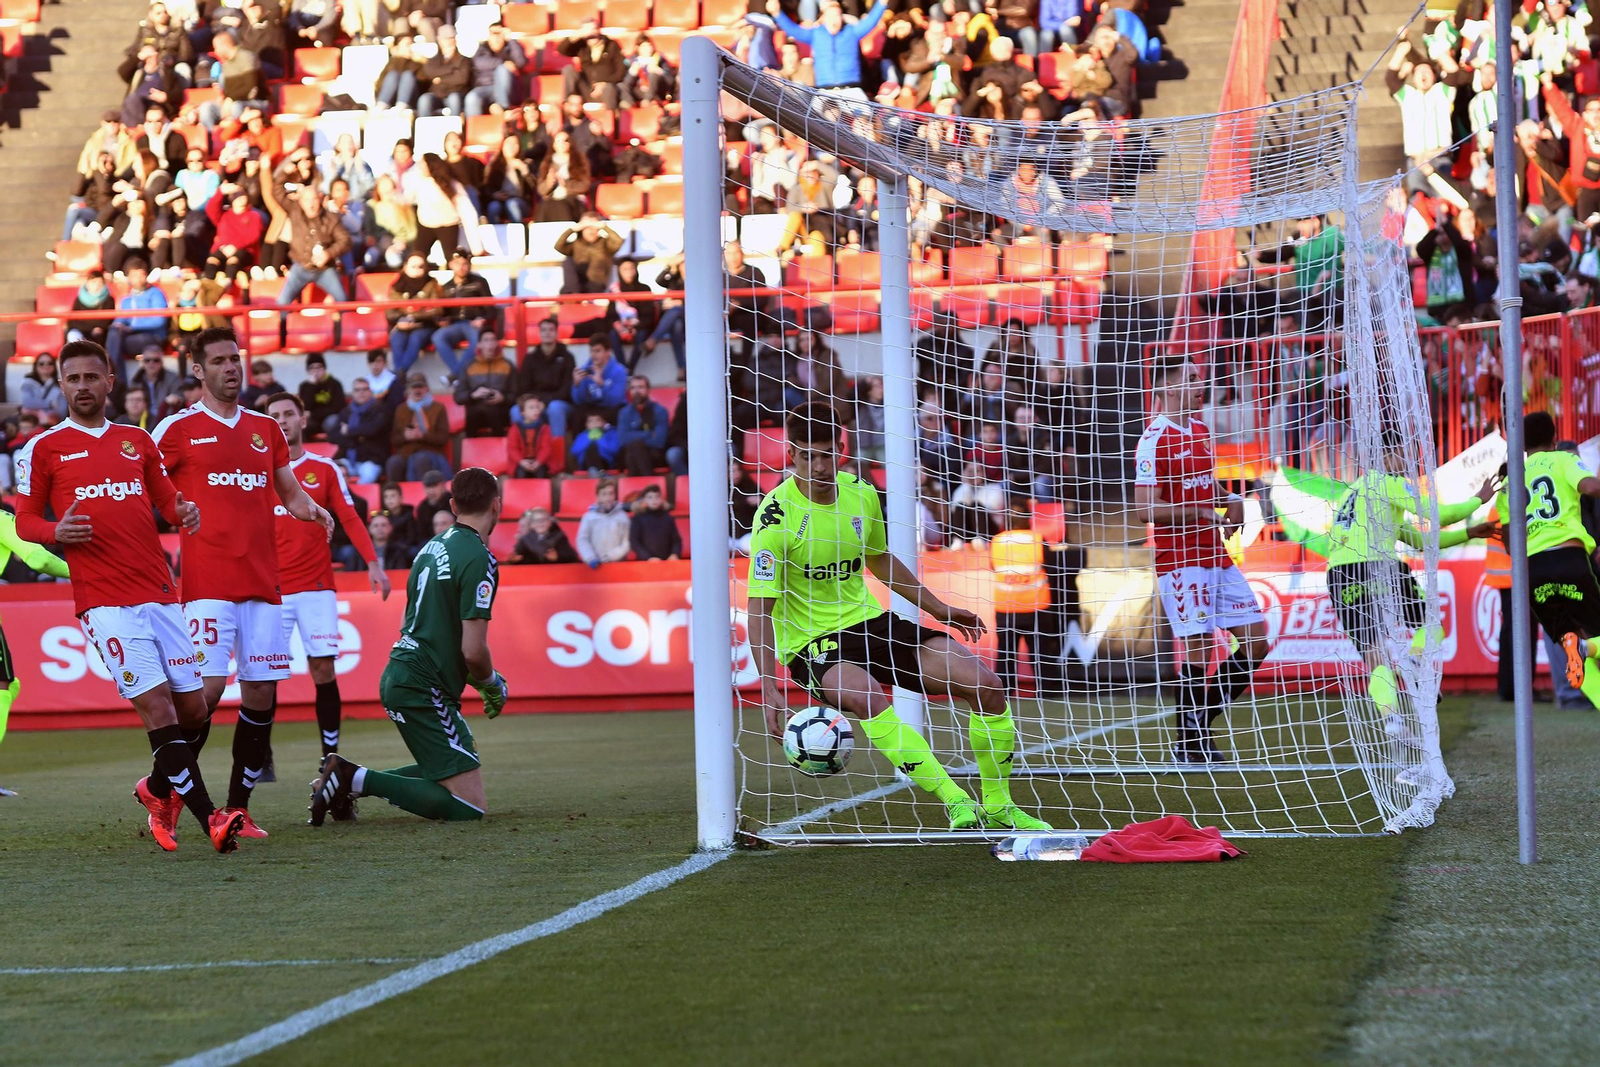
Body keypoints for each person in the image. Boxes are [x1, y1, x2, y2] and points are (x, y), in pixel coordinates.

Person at [746, 402, 1049, 830]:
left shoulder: (861, 492)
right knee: (869, 697)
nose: (819, 466)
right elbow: (759, 608)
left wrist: (939, 608)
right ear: (791, 454)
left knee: (986, 685)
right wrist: (768, 683)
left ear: (842, 449)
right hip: (811, 643)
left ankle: (999, 805)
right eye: (808, 456)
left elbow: (879, 559)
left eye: (827, 454)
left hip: (870, 622)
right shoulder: (774, 519)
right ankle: (955, 800)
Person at [15, 340, 244, 852]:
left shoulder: (136, 441)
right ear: (61, 385)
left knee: (194, 709)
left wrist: (184, 511)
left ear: (110, 381)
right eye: (73, 378)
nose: (83, 386)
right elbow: (25, 520)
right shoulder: (44, 448)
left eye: (91, 377)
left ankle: (156, 789)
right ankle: (211, 818)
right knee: (158, 708)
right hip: (104, 601)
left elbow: (167, 501)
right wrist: (55, 532)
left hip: (159, 593)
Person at [152, 326, 335, 837]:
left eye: (235, 359)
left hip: (264, 586)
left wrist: (313, 510)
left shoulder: (265, 429)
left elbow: (288, 491)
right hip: (208, 585)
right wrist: (173, 511)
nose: (230, 368)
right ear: (197, 370)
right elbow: (146, 485)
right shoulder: (176, 429)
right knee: (204, 696)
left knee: (259, 697)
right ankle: (161, 787)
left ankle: (238, 808)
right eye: (218, 361)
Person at [309, 467, 507, 823]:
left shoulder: (431, 547)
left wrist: (472, 675)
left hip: (405, 672)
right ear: (497, 505)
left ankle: (345, 781)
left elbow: (415, 622)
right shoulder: (480, 558)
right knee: (469, 805)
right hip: (423, 685)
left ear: (452, 505)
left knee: (453, 767)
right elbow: (474, 651)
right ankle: (350, 778)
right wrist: (492, 683)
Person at [1134, 359, 1269, 763]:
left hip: (1214, 554)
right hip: (1180, 560)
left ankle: (1198, 725)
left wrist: (1231, 499)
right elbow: (1145, 508)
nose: (1200, 384)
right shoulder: (1153, 439)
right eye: (1191, 378)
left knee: (1257, 641)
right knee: (1199, 647)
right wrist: (1198, 512)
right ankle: (1190, 742)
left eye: (1199, 377)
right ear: (1167, 387)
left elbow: (1205, 485)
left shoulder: (1201, 430)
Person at [266, 392, 391, 808]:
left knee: (322, 668)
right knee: (263, 675)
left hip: (316, 587)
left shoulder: (324, 468)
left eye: (289, 414)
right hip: (270, 590)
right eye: (274, 416)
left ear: (303, 419)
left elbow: (349, 516)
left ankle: (329, 757)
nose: (283, 421)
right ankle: (260, 754)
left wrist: (373, 563)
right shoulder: (255, 472)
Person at [1326, 437, 1496, 736]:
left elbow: (1418, 540)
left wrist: (1469, 533)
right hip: (1378, 564)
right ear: (1387, 455)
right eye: (1403, 454)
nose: (1408, 462)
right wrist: (1478, 500)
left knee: (1374, 654)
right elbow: (1439, 515)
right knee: (1431, 625)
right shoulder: (1390, 483)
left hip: (1339, 573)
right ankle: (1416, 662)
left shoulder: (1354, 491)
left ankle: (1392, 720)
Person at [1495, 411, 1600, 706]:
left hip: (1533, 570)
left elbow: (1510, 544)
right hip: (1569, 560)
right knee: (1591, 639)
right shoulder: (1563, 460)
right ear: (1554, 438)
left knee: (1570, 644)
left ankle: (1581, 650)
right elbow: (1591, 487)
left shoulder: (1510, 481)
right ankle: (1587, 648)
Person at [766, 0, 888, 98]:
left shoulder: (851, 32)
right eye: (831, 16)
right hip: (825, 92)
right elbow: (793, 30)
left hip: (852, 90)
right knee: (828, 116)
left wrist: (882, 3)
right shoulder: (816, 34)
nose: (834, 19)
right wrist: (777, 13)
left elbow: (871, 21)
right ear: (824, 18)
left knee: (863, 119)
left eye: (837, 16)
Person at [433, 248, 496, 377]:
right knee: (437, 337)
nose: (461, 267)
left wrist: (482, 319)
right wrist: (442, 320)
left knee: (478, 339)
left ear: (469, 265)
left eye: (465, 264)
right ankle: (460, 375)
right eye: (457, 263)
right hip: (454, 324)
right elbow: (441, 312)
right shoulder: (446, 286)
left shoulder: (480, 282)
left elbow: (491, 309)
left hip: (473, 323)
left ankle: (455, 376)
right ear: (451, 264)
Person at [517, 319, 578, 437]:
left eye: (551, 330)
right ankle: (525, 446)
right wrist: (535, 403)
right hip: (535, 401)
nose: (547, 333)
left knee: (555, 408)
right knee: (516, 410)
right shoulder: (530, 358)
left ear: (557, 333)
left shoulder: (568, 357)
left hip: (561, 403)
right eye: (544, 330)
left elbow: (567, 388)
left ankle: (557, 447)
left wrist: (545, 402)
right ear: (539, 333)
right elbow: (524, 387)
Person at [387, 372, 453, 482]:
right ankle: (394, 492)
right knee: (394, 462)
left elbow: (443, 438)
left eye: (420, 387)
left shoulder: (438, 408)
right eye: (414, 387)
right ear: (408, 390)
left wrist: (423, 436)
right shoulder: (401, 409)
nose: (417, 390)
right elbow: (394, 439)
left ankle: (422, 492)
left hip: (431, 452)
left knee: (420, 459)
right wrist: (405, 437)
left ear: (427, 389)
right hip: (406, 453)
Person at [452, 330, 515, 437]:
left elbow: (517, 394)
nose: (490, 344)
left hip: (500, 411)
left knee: (492, 411)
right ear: (479, 345)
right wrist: (473, 394)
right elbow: (458, 397)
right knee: (473, 412)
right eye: (486, 340)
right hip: (476, 413)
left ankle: (498, 445)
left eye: (493, 340)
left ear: (497, 344)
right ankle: (471, 446)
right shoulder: (469, 366)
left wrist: (502, 398)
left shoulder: (508, 365)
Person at [106, 260, 169, 364]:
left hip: (153, 337)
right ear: (129, 277)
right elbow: (121, 318)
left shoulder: (156, 293)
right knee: (114, 331)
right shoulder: (127, 299)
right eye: (134, 276)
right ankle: (113, 370)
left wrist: (132, 327)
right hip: (131, 335)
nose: (138, 279)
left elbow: (159, 320)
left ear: (146, 275)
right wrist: (118, 324)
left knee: (118, 344)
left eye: (141, 275)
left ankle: (113, 370)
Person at [466, 21, 526, 117]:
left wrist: (511, 40)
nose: (496, 37)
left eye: (499, 33)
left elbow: (521, 62)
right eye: (493, 33)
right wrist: (502, 62)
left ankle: (503, 108)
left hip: (509, 89)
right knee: (472, 97)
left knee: (502, 70)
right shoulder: (483, 48)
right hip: (486, 87)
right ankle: (473, 125)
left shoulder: (511, 47)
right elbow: (478, 63)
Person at [613, 375, 669, 475]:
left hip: (654, 455)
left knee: (634, 448)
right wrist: (648, 433)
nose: (636, 391)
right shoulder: (624, 412)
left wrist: (633, 437)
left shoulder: (660, 411)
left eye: (640, 387)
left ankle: (636, 483)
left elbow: (659, 442)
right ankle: (648, 481)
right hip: (630, 454)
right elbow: (622, 439)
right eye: (633, 388)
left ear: (648, 390)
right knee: (633, 449)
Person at [570, 332, 629, 427]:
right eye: (591, 351)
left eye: (597, 351)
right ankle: (580, 438)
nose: (593, 355)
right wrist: (576, 385)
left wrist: (601, 384)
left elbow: (615, 401)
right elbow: (579, 401)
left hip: (613, 407)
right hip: (594, 406)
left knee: (618, 413)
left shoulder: (619, 371)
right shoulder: (585, 369)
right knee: (578, 414)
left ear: (608, 352)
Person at [416, 24, 473, 117]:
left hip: (456, 93)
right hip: (437, 95)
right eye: (446, 39)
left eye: (452, 38)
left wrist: (440, 79)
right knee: (424, 99)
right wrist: (452, 69)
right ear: (439, 40)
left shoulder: (463, 60)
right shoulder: (434, 60)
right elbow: (429, 73)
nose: (449, 42)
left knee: (454, 99)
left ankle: (456, 125)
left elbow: (462, 79)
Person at [576, 476, 631, 567]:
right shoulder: (588, 517)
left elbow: (627, 542)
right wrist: (590, 557)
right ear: (598, 496)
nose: (608, 498)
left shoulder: (623, 517)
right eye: (604, 494)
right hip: (595, 565)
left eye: (611, 493)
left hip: (618, 564)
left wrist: (611, 557)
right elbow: (582, 540)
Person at [507, 395, 566, 477]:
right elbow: (512, 449)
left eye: (537, 407)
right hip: (522, 462)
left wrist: (538, 462)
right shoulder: (515, 429)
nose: (536, 410)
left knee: (541, 473)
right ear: (522, 412)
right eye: (531, 408)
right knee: (521, 474)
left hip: (540, 462)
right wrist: (522, 462)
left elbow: (546, 448)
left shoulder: (544, 428)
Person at [297, 353, 346, 436]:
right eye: (312, 368)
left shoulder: (334, 384)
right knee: (301, 424)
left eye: (319, 367)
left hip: (328, 417)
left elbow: (337, 408)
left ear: (324, 369)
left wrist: (314, 414)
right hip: (313, 420)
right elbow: (305, 408)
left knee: (332, 422)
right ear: (308, 371)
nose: (316, 371)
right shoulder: (305, 386)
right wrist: (311, 386)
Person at [629, 484, 681, 561]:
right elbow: (634, 542)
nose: (654, 500)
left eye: (657, 497)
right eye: (650, 497)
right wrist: (648, 557)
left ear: (661, 499)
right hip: (645, 561)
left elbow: (677, 541)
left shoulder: (668, 518)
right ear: (644, 500)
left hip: (667, 561)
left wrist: (674, 554)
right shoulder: (638, 519)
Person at [510, 507, 579, 564]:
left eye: (544, 520)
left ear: (550, 522)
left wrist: (557, 557)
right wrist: (514, 560)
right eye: (536, 521)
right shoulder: (525, 539)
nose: (540, 523)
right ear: (531, 524)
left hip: (555, 571)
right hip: (534, 573)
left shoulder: (559, 536)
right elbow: (520, 556)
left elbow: (569, 555)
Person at [19, 354, 68, 426]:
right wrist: (50, 404)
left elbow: (62, 411)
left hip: (51, 424)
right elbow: (27, 402)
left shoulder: (59, 386)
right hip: (30, 423)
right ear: (36, 366)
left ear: (54, 366)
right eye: (41, 364)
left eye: (50, 363)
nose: (46, 366)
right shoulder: (28, 383)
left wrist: (46, 415)